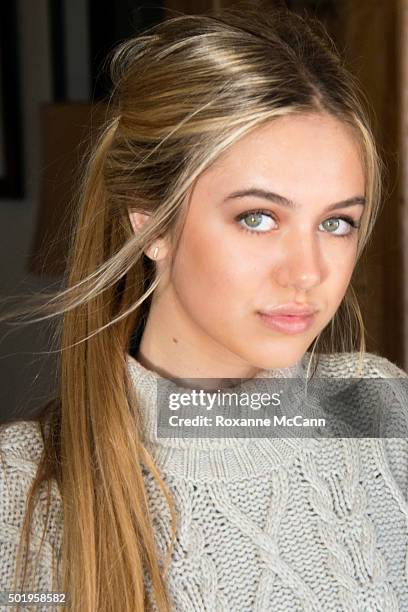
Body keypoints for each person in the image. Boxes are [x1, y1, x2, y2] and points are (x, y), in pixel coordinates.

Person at [1, 4, 408, 611]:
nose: (308, 272)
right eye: (258, 217)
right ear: (150, 223)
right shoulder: (21, 490)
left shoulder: (374, 407)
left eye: (337, 222)